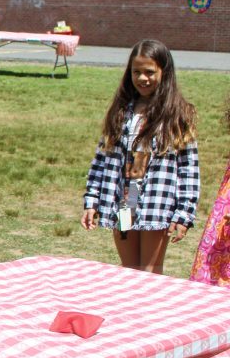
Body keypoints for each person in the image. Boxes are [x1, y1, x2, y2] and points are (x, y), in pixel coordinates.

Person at [81, 39, 199, 274]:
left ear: (164, 73)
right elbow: (101, 158)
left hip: (157, 203)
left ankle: (150, 311)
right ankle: (129, 311)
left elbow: (189, 168)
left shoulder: (177, 115)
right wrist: (91, 199)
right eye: (137, 72)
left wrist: (184, 212)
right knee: (129, 270)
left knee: (149, 271)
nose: (142, 78)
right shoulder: (121, 111)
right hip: (126, 201)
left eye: (149, 72)